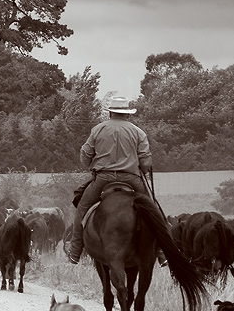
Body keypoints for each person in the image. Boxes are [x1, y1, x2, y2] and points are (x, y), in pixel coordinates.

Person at [66, 96, 167, 267]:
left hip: (103, 179)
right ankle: (161, 253)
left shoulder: (98, 129)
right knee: (154, 210)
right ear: (127, 114)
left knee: (82, 208)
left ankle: (75, 251)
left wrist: (92, 164)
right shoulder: (138, 132)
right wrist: (141, 167)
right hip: (132, 179)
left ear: (111, 112)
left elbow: (85, 156)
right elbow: (146, 163)